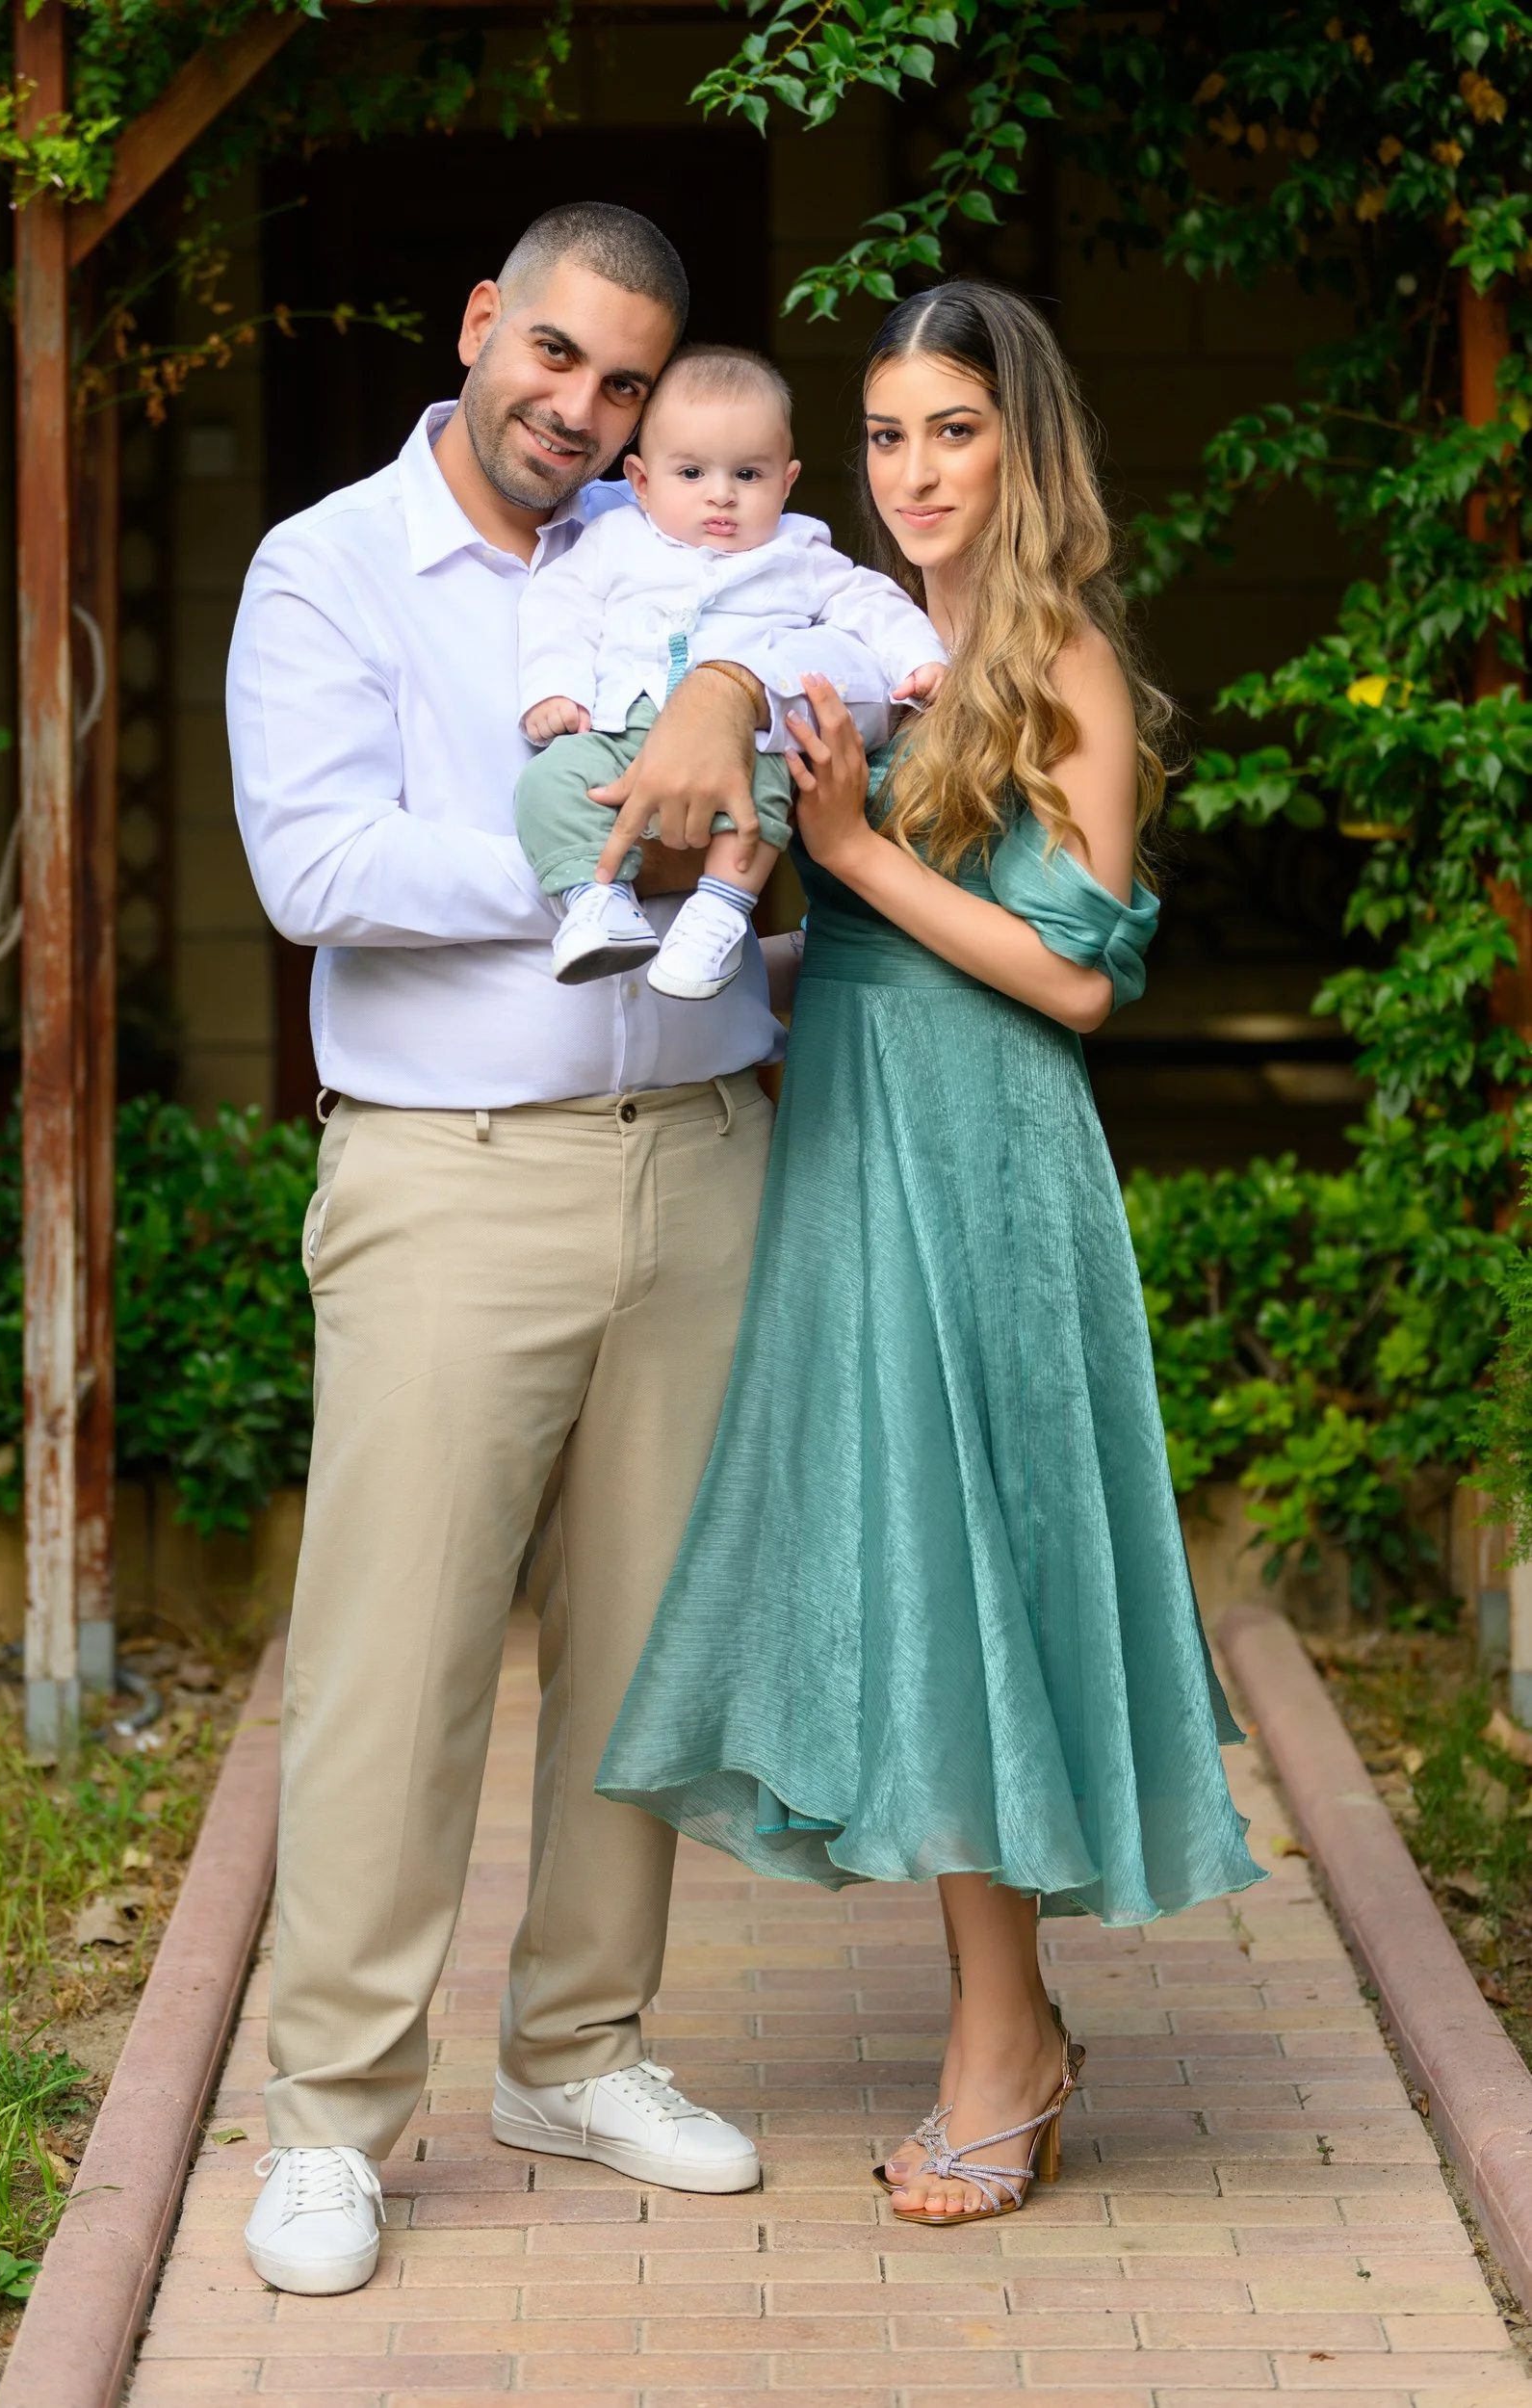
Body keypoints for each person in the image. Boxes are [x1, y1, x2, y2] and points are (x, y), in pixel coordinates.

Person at [225, 201, 896, 2297]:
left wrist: (760, 793)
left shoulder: (696, 550)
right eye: (557, 358)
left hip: (699, 1155)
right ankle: (332, 2117)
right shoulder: (330, 564)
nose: (583, 409)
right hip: (451, 1174)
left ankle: (577, 2050)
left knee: (643, 1652)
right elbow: (312, 863)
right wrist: (588, 847)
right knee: (393, 1662)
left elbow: (845, 732)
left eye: (625, 383)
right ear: (479, 326)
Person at [596, 279, 1266, 2228]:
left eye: (950, 430)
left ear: (1018, 442)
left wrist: (855, 854)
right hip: (852, 1137)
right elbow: (840, 920)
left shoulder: (1057, 657)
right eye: (885, 434)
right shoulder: (858, 629)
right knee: (907, 1575)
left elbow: (1075, 977)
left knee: (976, 1578)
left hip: (985, 1160)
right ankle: (1011, 2027)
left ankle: (1003, 2045)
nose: (912, 470)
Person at [515, 343, 945, 997]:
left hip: (742, 742)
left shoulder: (797, 551)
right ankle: (595, 900)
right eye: (691, 473)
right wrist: (555, 688)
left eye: (747, 474)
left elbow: (871, 602)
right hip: (620, 730)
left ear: (786, 481)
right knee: (548, 781)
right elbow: (559, 607)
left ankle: (718, 910)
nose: (721, 495)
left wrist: (920, 658)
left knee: (769, 777)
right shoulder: (615, 541)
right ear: (641, 481)